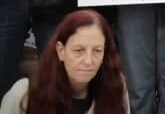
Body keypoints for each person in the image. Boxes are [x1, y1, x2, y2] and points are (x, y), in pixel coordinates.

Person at [0, 9, 129, 114]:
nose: (89, 61)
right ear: (61, 51)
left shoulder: (116, 88)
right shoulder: (23, 94)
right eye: (79, 50)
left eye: (97, 50)